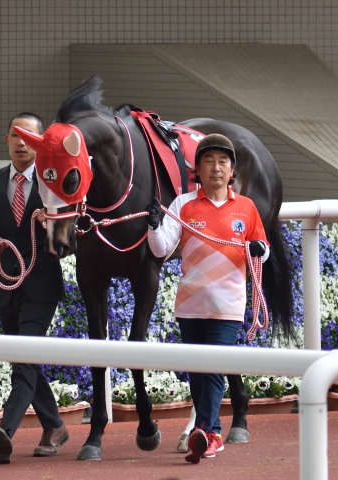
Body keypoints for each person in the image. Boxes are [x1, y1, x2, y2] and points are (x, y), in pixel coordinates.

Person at [144, 133, 269, 463]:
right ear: (197, 169)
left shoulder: (246, 207)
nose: (216, 167)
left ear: (232, 171)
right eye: (208, 161)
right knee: (198, 373)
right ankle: (210, 430)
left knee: (214, 367)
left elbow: (262, 247)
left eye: (222, 162)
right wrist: (154, 226)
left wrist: (260, 250)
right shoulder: (182, 205)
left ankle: (206, 433)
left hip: (228, 305)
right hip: (190, 304)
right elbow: (161, 249)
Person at [0, 112, 67, 464]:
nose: (21, 142)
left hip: (42, 285)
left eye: (29, 136)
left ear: (42, 144)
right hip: (5, 284)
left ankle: (4, 433)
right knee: (23, 359)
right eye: (15, 135)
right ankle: (54, 426)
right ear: (6, 140)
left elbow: (70, 239)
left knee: (23, 360)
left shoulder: (53, 185)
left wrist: (52, 221)